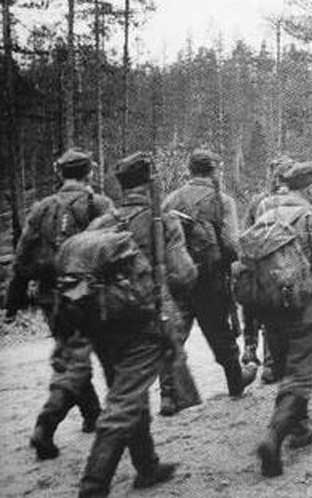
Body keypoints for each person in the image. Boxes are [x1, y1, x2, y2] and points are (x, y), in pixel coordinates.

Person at [78, 152, 198, 497]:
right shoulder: (162, 220)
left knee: (128, 390)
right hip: (144, 323)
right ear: (149, 183)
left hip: (103, 324)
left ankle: (147, 466)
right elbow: (183, 273)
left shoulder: (103, 222)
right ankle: (93, 485)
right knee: (125, 401)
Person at [4, 149, 113, 460]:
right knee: (98, 362)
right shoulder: (98, 205)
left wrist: (13, 302)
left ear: (60, 174)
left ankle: (93, 414)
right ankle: (46, 425)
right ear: (89, 173)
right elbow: (114, 249)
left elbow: (23, 257)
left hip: (53, 298)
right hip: (92, 296)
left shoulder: (42, 209)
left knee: (71, 357)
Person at [255, 162, 312, 477]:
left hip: (270, 309)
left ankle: (300, 427)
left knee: (285, 370)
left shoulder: (264, 212)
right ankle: (274, 435)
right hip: (307, 308)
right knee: (300, 374)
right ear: (309, 188)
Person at [159, 149, 256, 416]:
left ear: (190, 170)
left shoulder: (170, 200)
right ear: (213, 171)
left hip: (178, 279)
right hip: (211, 280)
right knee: (220, 333)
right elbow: (231, 243)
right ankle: (236, 382)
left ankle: (168, 395)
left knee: (174, 335)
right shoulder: (222, 201)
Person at [241, 156, 295, 385]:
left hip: (262, 264)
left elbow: (245, 233)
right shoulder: (293, 202)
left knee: (262, 309)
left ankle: (256, 352)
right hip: (282, 265)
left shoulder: (259, 202)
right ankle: (267, 361)